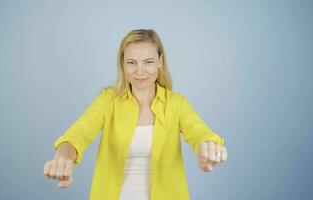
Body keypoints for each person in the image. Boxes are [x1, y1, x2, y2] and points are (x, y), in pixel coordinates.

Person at [43, 29, 228, 200]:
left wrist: (209, 145)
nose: (140, 71)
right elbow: (76, 136)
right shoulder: (108, 101)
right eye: (132, 63)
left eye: (148, 62)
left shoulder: (176, 104)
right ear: (123, 64)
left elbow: (199, 132)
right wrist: (63, 157)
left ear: (160, 62)